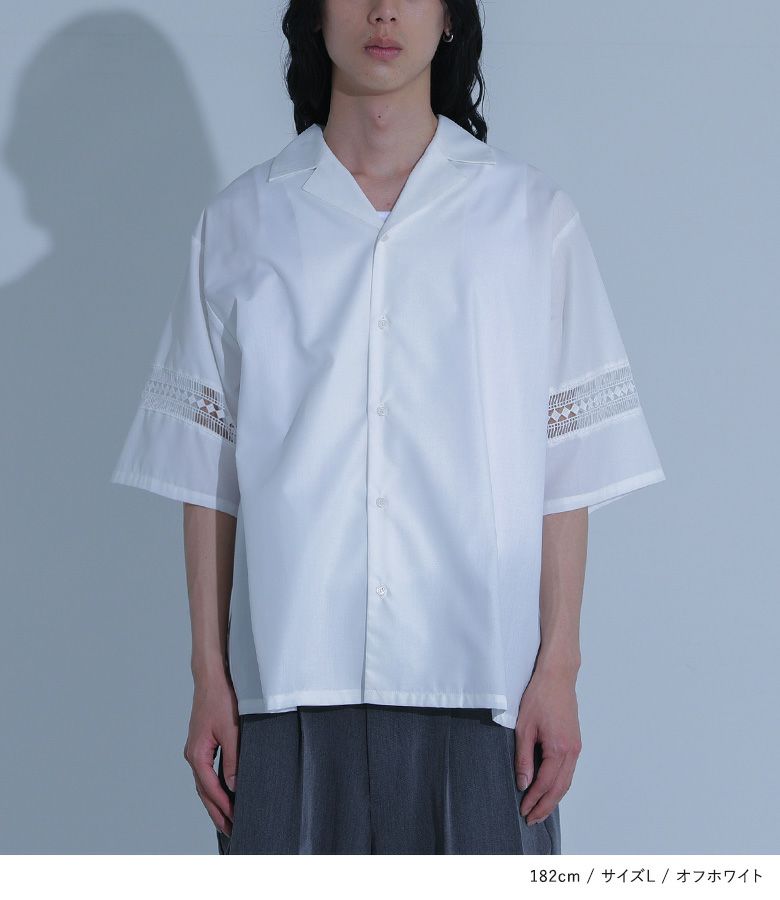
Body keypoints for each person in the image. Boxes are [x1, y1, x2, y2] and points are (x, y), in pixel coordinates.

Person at [110, 0, 665, 855]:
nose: (381, 11)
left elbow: (568, 466)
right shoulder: (240, 224)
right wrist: (208, 675)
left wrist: (558, 670)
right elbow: (204, 473)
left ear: (450, 20)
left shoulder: (529, 219)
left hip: (482, 693)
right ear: (312, 15)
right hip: (287, 691)